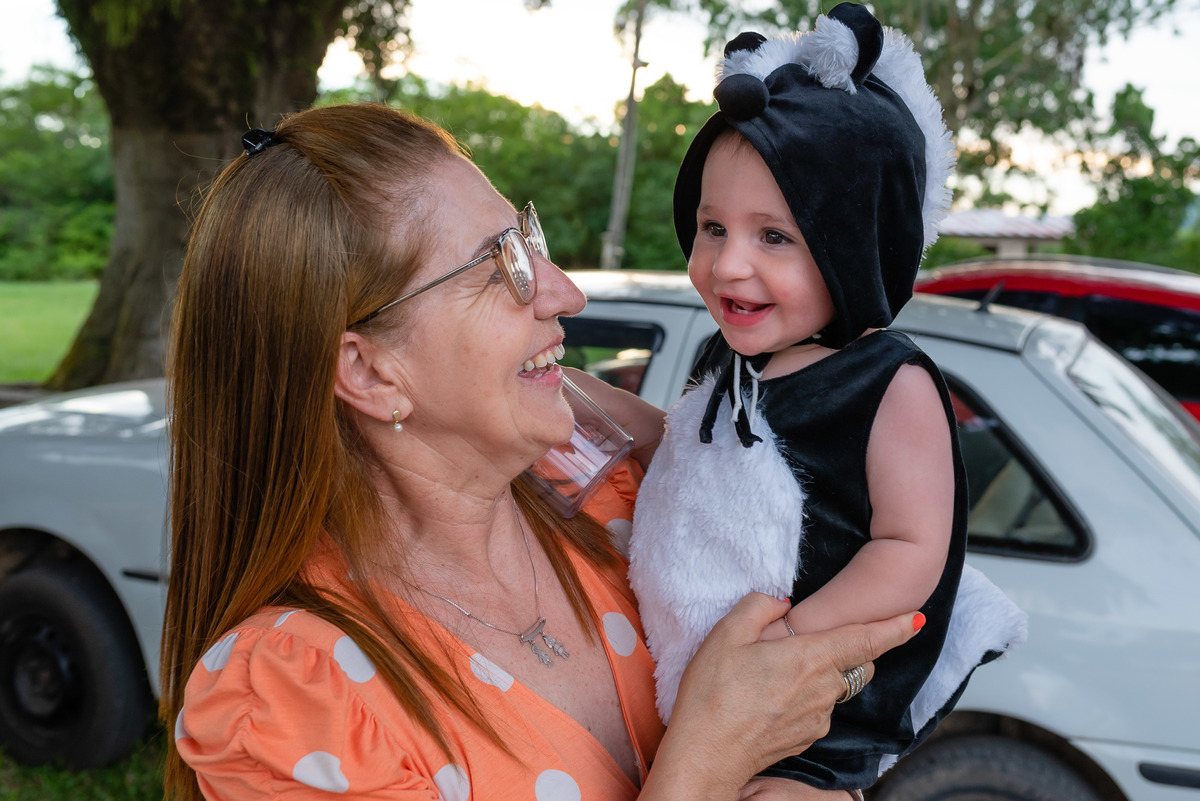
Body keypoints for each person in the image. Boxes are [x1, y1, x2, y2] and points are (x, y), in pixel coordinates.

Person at [159, 101, 923, 801]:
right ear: (367, 370)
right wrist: (707, 759)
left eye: (529, 238)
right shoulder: (294, 701)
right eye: (501, 266)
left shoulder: (612, 484)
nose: (563, 292)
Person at [626, 3, 1028, 794]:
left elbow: (914, 550)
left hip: (806, 721)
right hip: (700, 705)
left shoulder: (888, 383)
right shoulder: (734, 357)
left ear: (854, 244)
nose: (728, 265)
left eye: (773, 236)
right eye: (713, 228)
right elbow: (684, 454)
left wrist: (787, 641)